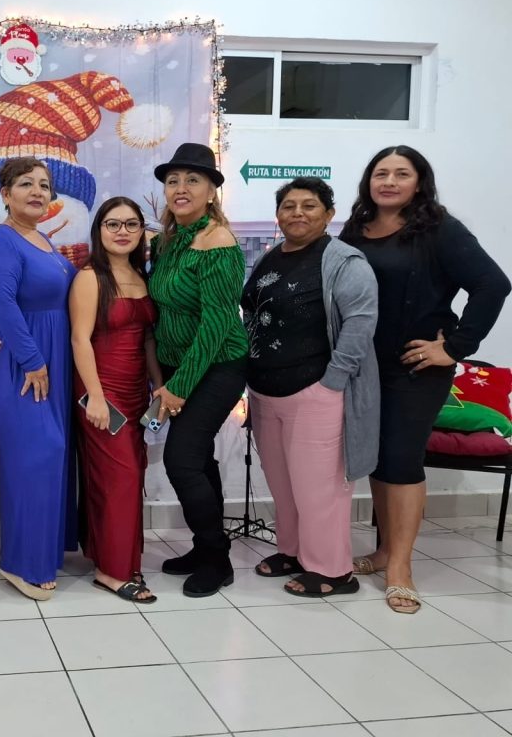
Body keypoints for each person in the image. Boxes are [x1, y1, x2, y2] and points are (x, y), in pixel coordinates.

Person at [340, 146, 510, 613]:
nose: (389, 182)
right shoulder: (357, 228)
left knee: (402, 460)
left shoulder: (438, 229)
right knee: (377, 459)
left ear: (420, 182)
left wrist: (454, 347)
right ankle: (382, 551)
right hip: (364, 365)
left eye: (401, 173)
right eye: (381, 173)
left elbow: (494, 284)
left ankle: (401, 567)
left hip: (416, 367)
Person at [242, 177, 379, 597]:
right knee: (284, 484)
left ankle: (333, 571)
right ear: (278, 214)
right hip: (265, 391)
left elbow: (360, 324)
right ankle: (293, 551)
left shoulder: (345, 261)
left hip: (316, 391)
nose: (297, 213)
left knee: (320, 488)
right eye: (288, 206)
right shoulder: (272, 256)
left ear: (329, 214)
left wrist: (332, 382)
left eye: (309, 205)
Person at [150, 142, 248, 598]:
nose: (181, 188)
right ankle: (207, 548)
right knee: (199, 459)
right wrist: (164, 377)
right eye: (173, 181)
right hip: (179, 367)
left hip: (218, 366)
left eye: (193, 180)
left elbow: (216, 324)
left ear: (211, 191)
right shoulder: (166, 242)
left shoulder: (218, 242)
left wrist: (178, 388)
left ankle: (217, 559)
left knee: (182, 460)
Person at [0, 156, 76, 600]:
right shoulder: (2, 240)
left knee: (52, 454)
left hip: (53, 356)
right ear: (5, 194)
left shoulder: (43, 239)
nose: (37, 191)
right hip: (22, 359)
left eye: (44, 184)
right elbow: (3, 304)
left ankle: (44, 551)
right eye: (25, 184)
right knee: (36, 454)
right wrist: (34, 359)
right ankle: (19, 562)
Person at [70, 196, 160, 604]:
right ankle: (111, 571)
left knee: (129, 477)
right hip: (102, 392)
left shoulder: (141, 275)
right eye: (113, 224)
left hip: (137, 392)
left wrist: (158, 386)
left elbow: (147, 339)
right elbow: (80, 340)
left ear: (141, 231)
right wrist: (95, 397)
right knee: (119, 479)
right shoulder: (90, 277)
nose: (122, 231)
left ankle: (120, 559)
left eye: (131, 224)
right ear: (99, 230)